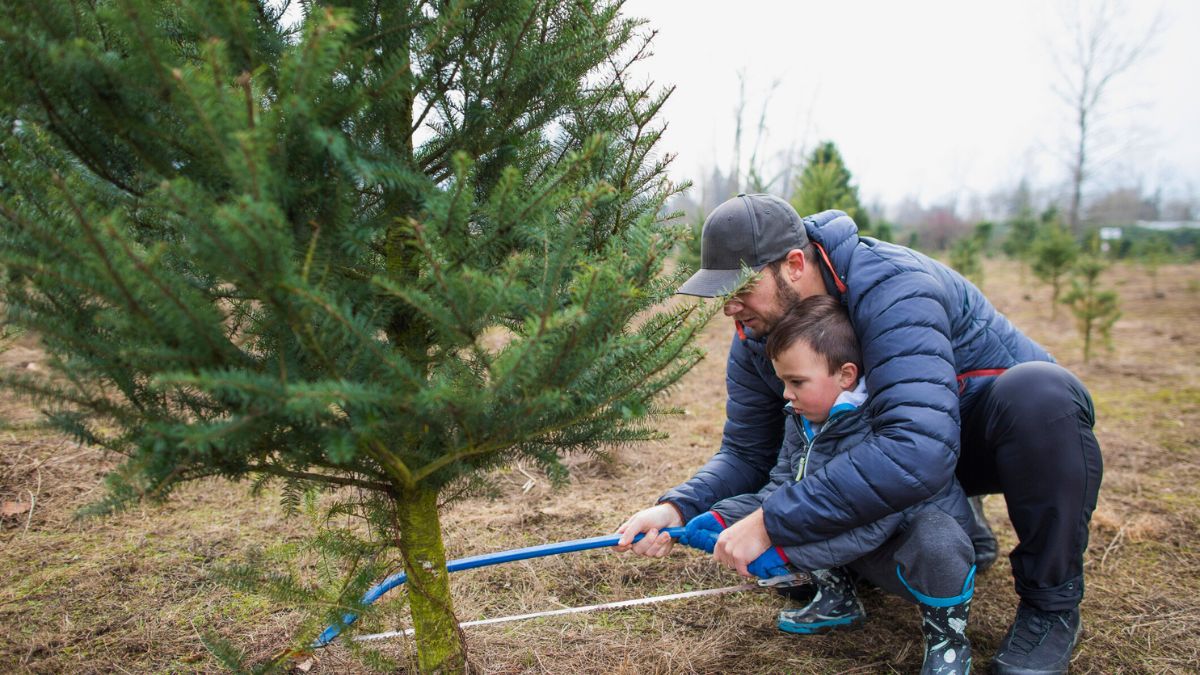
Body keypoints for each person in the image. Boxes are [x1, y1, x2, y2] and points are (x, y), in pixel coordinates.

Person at [616, 194, 1103, 674]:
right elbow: (748, 451)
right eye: (724, 294)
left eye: (741, 288)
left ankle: (1050, 605)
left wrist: (772, 524)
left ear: (793, 265)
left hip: (987, 435)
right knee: (807, 545)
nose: (730, 308)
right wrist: (678, 506)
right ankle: (914, 545)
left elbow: (917, 450)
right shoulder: (759, 335)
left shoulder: (895, 287)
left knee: (1042, 393)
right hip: (890, 449)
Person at [692, 293, 977, 674]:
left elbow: (869, 521)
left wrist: (786, 554)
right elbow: (782, 488)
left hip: (906, 549)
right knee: (805, 502)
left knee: (937, 539)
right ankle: (838, 599)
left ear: (845, 375)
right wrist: (722, 517)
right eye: (782, 381)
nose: (786, 395)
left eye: (796, 382)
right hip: (860, 548)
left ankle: (948, 640)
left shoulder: (877, 427)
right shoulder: (803, 416)